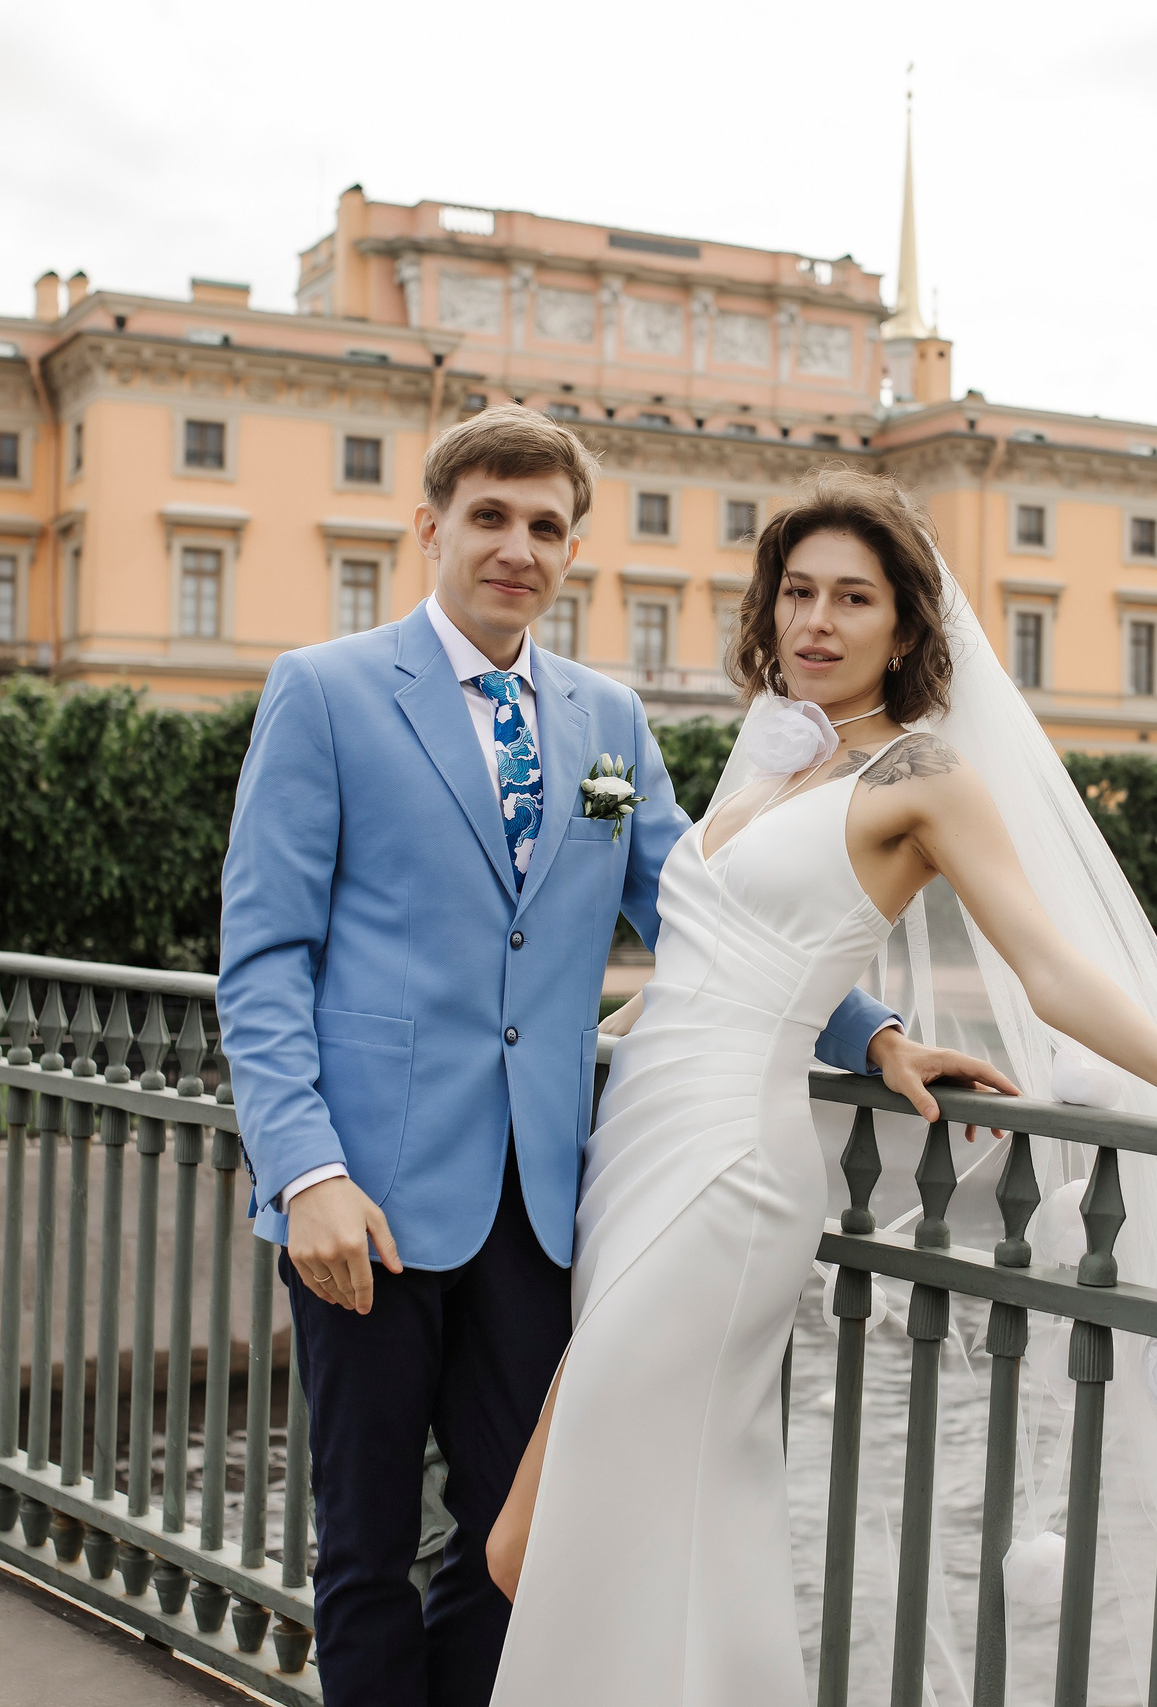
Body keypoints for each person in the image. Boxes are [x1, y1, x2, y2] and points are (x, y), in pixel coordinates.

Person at [485, 467, 1157, 1706]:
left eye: (852, 599)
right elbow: (711, 956)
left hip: (724, 1171)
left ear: (906, 627)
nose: (814, 622)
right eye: (796, 594)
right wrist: (861, 1038)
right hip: (638, 1145)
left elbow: (1050, 969)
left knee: (536, 1535)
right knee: (654, 1520)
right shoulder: (771, 760)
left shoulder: (920, 778)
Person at [214, 410, 1007, 1707]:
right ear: (432, 527)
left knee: (511, 1547)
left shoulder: (606, 717)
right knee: (362, 1548)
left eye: (544, 526)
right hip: (370, 1196)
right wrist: (305, 1170)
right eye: (489, 516)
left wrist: (868, 1028)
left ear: (573, 549)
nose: (516, 547)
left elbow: (703, 909)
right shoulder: (326, 688)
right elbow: (263, 961)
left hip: (546, 1198)